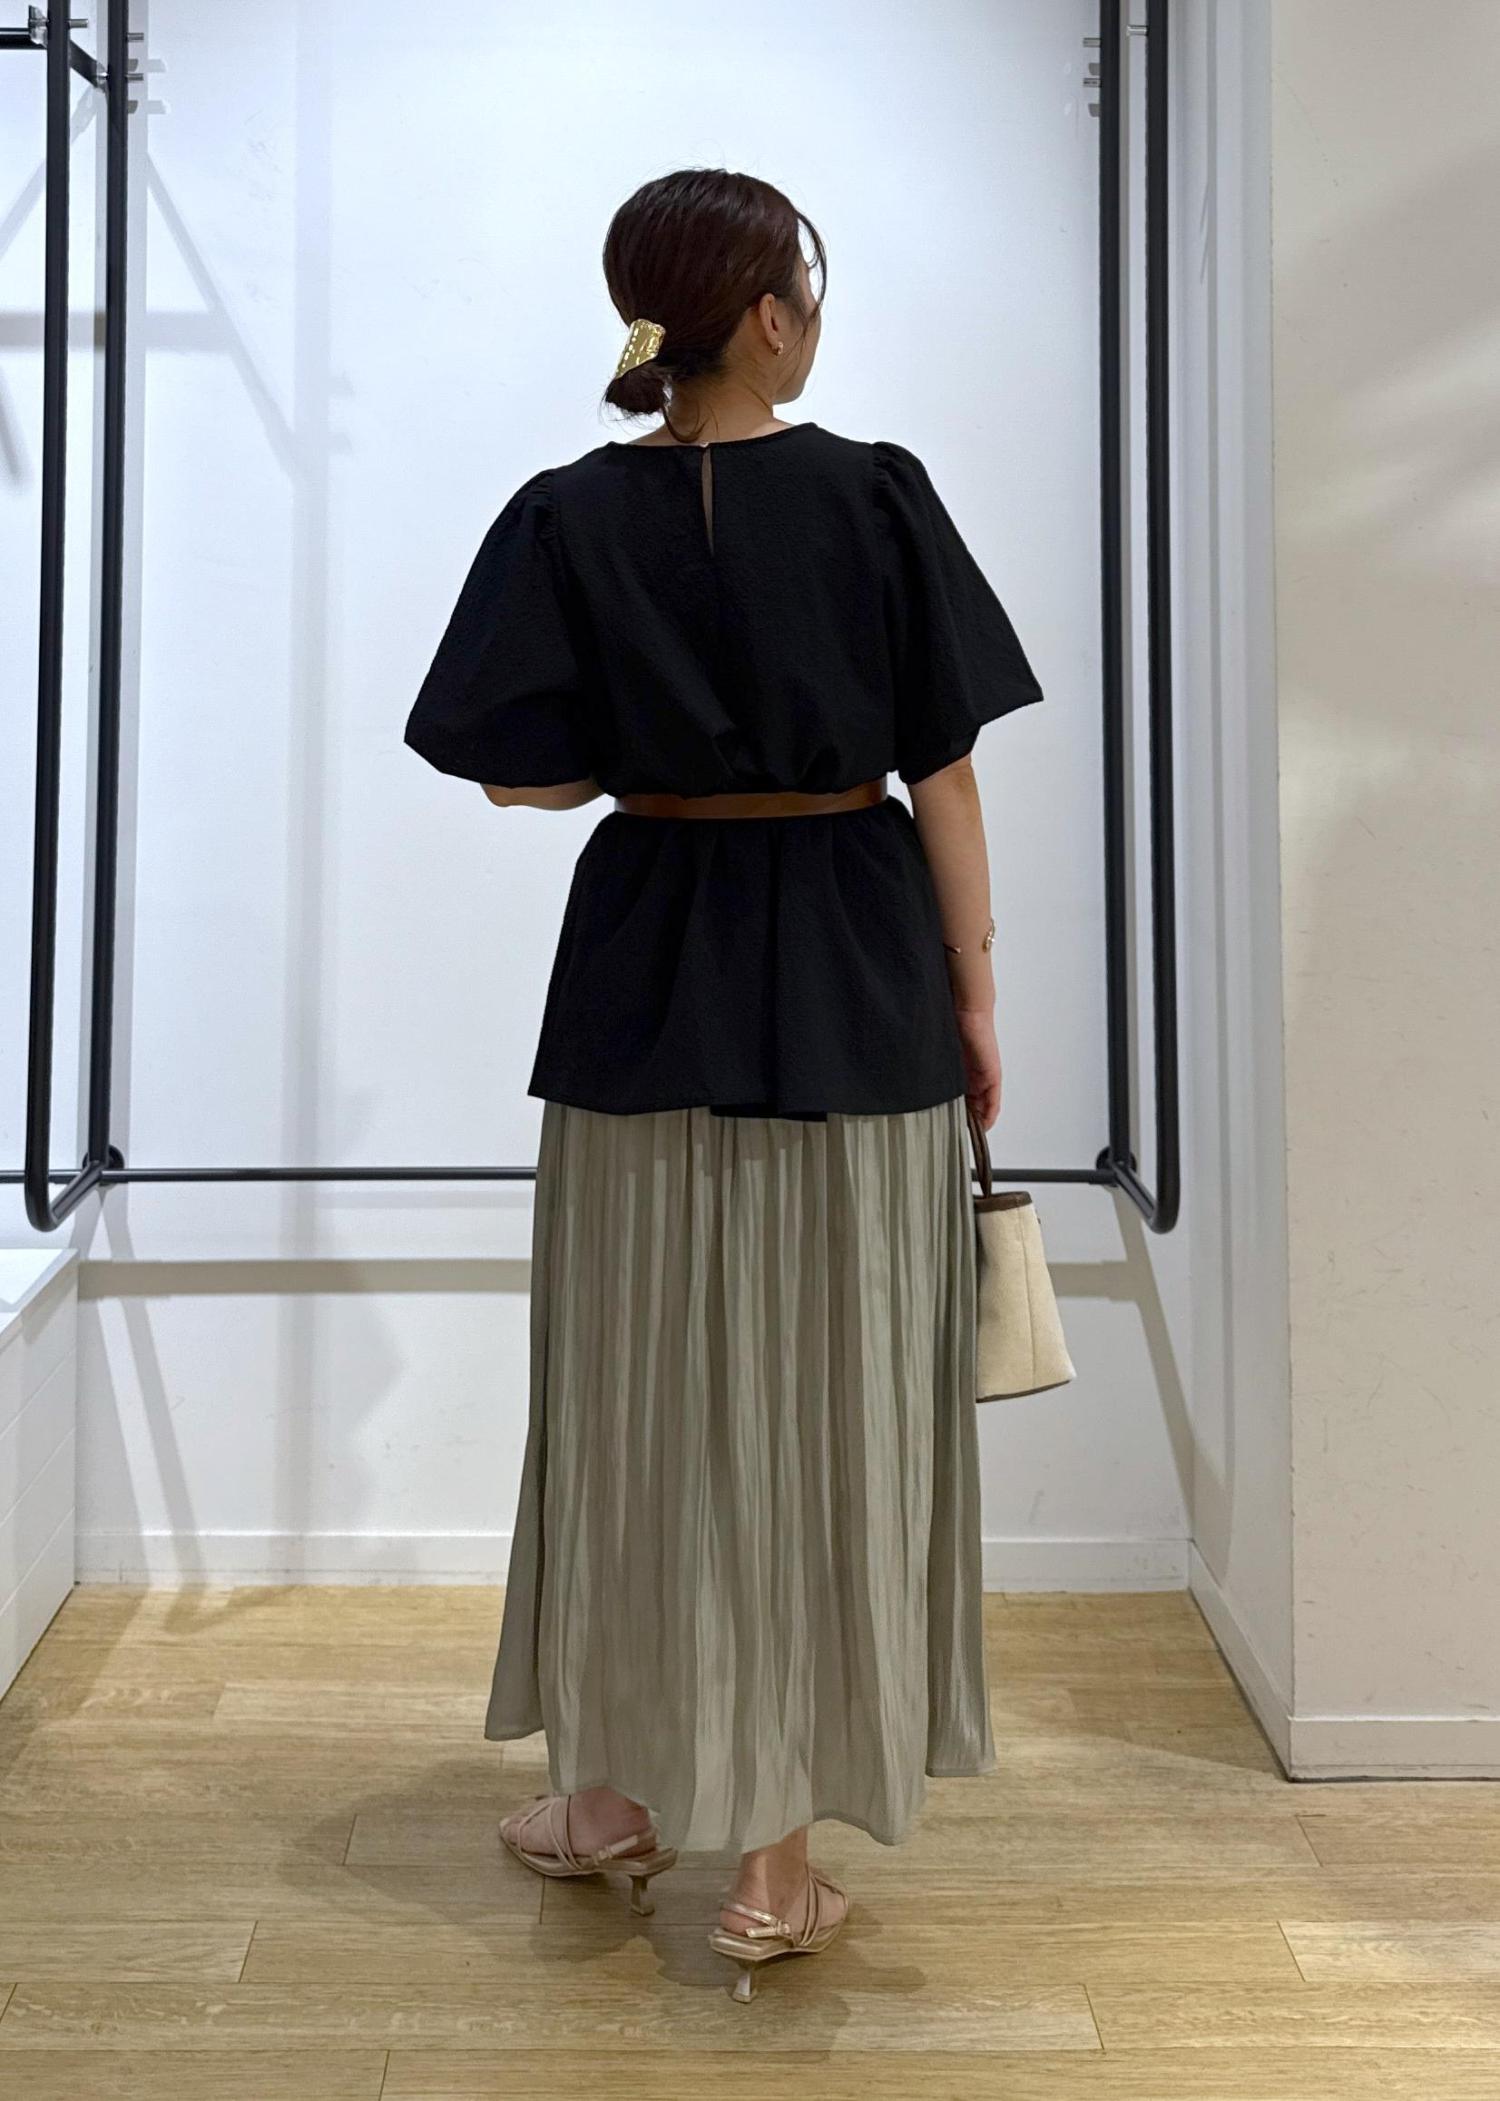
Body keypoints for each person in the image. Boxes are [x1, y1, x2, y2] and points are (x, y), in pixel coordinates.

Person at [403, 166, 1044, 2000]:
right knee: (835, 1402)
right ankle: (775, 1861)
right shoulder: (876, 491)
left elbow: (514, 775)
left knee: (633, 1396)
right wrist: (976, 993)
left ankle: (609, 1797)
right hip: (854, 975)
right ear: (770, 314)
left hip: (644, 972)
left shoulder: (567, 511)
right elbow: (943, 774)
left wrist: (653, 747)